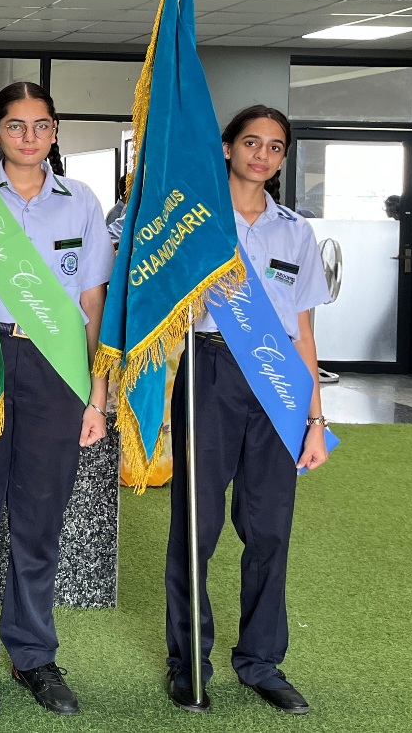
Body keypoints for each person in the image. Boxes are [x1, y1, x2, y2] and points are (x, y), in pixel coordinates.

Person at [0, 82, 112, 716]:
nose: (28, 137)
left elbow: (93, 303)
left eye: (41, 125)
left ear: (55, 131)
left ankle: (34, 656)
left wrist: (97, 395)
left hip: (56, 369)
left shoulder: (82, 202)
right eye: (15, 126)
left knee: (40, 522)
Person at [165, 104, 331, 716]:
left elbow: (305, 333)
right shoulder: (196, 223)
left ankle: (261, 662)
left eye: (275, 146)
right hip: (210, 370)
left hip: (279, 381)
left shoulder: (296, 232)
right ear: (228, 147)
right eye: (252, 142)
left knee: (269, 530)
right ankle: (189, 662)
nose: (262, 155)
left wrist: (315, 420)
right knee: (197, 526)